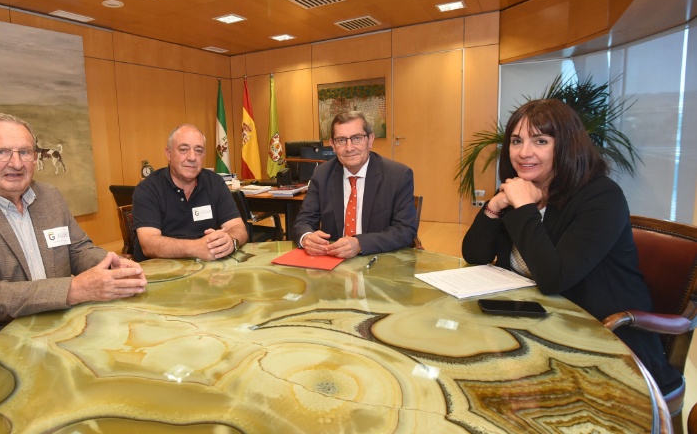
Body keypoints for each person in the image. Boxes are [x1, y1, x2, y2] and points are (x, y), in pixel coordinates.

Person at [0, 113, 147, 415]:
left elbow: (77, 249)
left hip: (51, 330)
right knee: (61, 405)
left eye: (26, 152)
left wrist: (111, 263)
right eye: (1, 152)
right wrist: (75, 289)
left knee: (125, 371)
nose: (16, 163)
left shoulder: (49, 197)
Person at [461, 98, 682, 395]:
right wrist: (494, 206)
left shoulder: (601, 196)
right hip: (538, 329)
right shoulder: (520, 189)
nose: (524, 152)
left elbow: (554, 278)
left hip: (609, 343)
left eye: (540, 141)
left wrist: (524, 207)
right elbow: (475, 256)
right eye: (516, 141)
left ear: (565, 145)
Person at [292, 111, 417, 258]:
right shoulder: (322, 174)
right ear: (332, 145)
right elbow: (304, 221)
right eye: (341, 140)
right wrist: (306, 237)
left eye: (357, 138)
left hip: (379, 261)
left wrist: (360, 244)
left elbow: (405, 230)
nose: (349, 148)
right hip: (333, 262)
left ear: (370, 140)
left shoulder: (398, 176)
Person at [132, 124, 248, 261]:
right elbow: (149, 244)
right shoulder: (148, 189)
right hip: (161, 272)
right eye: (183, 149)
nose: (192, 157)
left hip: (209, 272)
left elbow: (238, 228)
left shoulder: (215, 183)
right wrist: (196, 248)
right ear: (168, 154)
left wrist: (230, 241)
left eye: (198, 150)